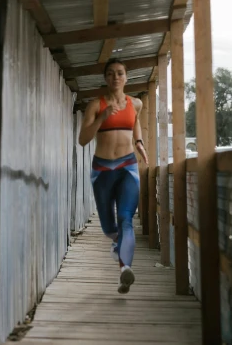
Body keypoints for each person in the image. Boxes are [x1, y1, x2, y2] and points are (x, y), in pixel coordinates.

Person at [78, 58, 148, 294]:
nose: (115, 77)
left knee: (126, 219)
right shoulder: (95, 105)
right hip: (103, 170)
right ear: (105, 78)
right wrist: (103, 116)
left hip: (128, 166)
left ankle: (124, 269)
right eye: (110, 74)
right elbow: (83, 139)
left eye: (120, 73)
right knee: (109, 227)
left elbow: (135, 122)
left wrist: (138, 142)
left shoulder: (135, 103)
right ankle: (119, 246)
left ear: (126, 77)